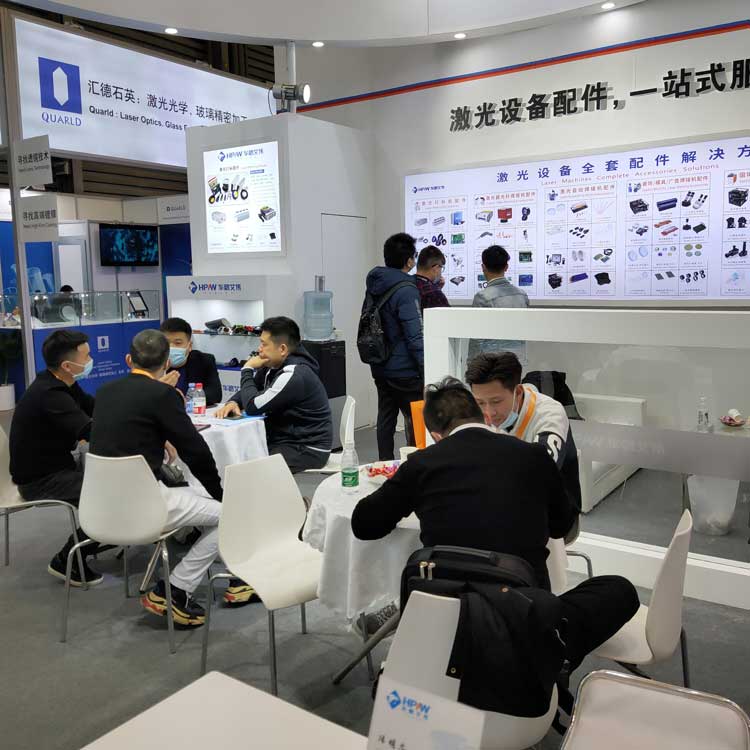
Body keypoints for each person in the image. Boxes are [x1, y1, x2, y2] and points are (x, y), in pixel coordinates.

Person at [351, 378, 638, 680]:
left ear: (436, 436)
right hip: (523, 609)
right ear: (483, 417)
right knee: (619, 590)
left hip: (446, 612)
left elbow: (364, 524)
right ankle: (553, 650)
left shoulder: (421, 464)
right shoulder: (534, 456)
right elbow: (562, 527)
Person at [90, 330, 224, 626]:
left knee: (193, 496)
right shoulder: (163, 396)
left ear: (129, 360)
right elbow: (196, 452)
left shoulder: (105, 391)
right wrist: (220, 494)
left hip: (100, 506)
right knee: (230, 514)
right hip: (146, 505)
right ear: (166, 363)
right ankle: (176, 589)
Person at [9, 330, 101, 585]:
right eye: (87, 356)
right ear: (68, 366)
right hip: (40, 480)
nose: (91, 360)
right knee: (110, 495)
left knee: (112, 484)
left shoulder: (62, 383)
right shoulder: (50, 395)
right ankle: (67, 560)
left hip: (57, 467)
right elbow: (90, 431)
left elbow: (95, 406)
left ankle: (99, 537)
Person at [466, 351, 581, 515]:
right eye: (480, 402)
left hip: (551, 511)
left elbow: (540, 474)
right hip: (502, 504)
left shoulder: (550, 414)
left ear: (518, 392)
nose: (489, 412)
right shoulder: (476, 413)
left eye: (496, 401)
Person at [216, 316, 332, 473]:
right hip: (285, 440)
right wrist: (234, 402)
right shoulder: (274, 364)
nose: (259, 349)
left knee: (248, 469)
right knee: (239, 457)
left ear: (282, 349)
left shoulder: (294, 374)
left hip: (307, 448)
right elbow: (252, 388)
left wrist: (247, 369)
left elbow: (252, 406)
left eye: (264, 344)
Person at [364, 233, 424, 460]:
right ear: (409, 261)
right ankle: (416, 464)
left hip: (379, 362)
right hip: (405, 370)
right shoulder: (407, 289)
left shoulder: (375, 284)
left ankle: (385, 465)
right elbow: (415, 335)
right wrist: (425, 368)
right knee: (417, 419)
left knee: (386, 417)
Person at [468, 245, 529, 361]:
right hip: (518, 359)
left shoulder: (482, 297)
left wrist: (471, 363)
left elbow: (477, 337)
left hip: (492, 362)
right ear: (506, 267)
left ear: (483, 267)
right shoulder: (522, 295)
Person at [160, 317, 222, 405]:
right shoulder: (151, 363)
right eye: (166, 343)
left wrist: (184, 399)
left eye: (178, 343)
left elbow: (215, 395)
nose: (171, 347)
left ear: (189, 346)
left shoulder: (204, 361)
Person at [415, 245, 450, 310]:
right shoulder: (435, 294)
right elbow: (448, 315)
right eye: (441, 268)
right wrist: (437, 290)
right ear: (436, 268)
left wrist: (436, 287)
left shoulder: (407, 282)